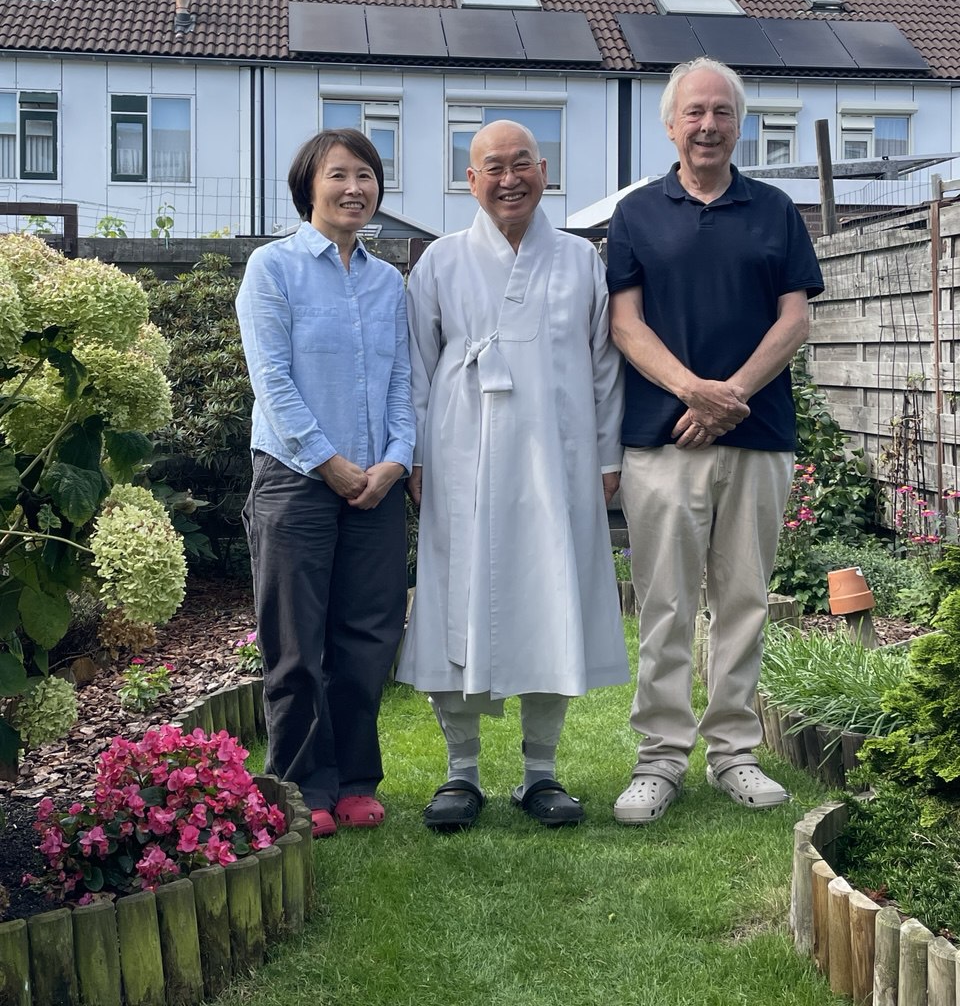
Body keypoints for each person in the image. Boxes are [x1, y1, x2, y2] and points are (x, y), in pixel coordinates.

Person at [605, 57, 824, 824]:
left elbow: (793, 320)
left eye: (721, 113)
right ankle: (659, 760)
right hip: (662, 443)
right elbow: (624, 325)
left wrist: (728, 398)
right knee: (664, 603)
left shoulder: (775, 210)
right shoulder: (637, 214)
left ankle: (734, 753)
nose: (707, 125)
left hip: (758, 438)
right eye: (694, 112)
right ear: (671, 124)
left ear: (739, 124)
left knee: (743, 600)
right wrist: (693, 392)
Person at [397, 119, 629, 831]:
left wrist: (606, 456)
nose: (508, 178)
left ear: (544, 169)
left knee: (547, 597)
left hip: (556, 459)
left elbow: (604, 364)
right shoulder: (439, 262)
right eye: (492, 166)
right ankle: (459, 772)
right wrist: (418, 457)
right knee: (453, 598)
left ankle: (541, 773)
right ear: (470, 180)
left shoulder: (582, 261)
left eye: (521, 163)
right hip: (462, 453)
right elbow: (415, 366)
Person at [236, 128, 414, 839]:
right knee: (295, 643)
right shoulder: (272, 268)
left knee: (367, 638)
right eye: (339, 174)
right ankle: (302, 784)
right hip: (294, 479)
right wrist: (327, 461)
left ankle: (354, 781)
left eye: (366, 175)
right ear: (309, 185)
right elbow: (271, 380)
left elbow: (404, 384)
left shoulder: (387, 280)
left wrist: (396, 460)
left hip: (376, 484)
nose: (354, 188)